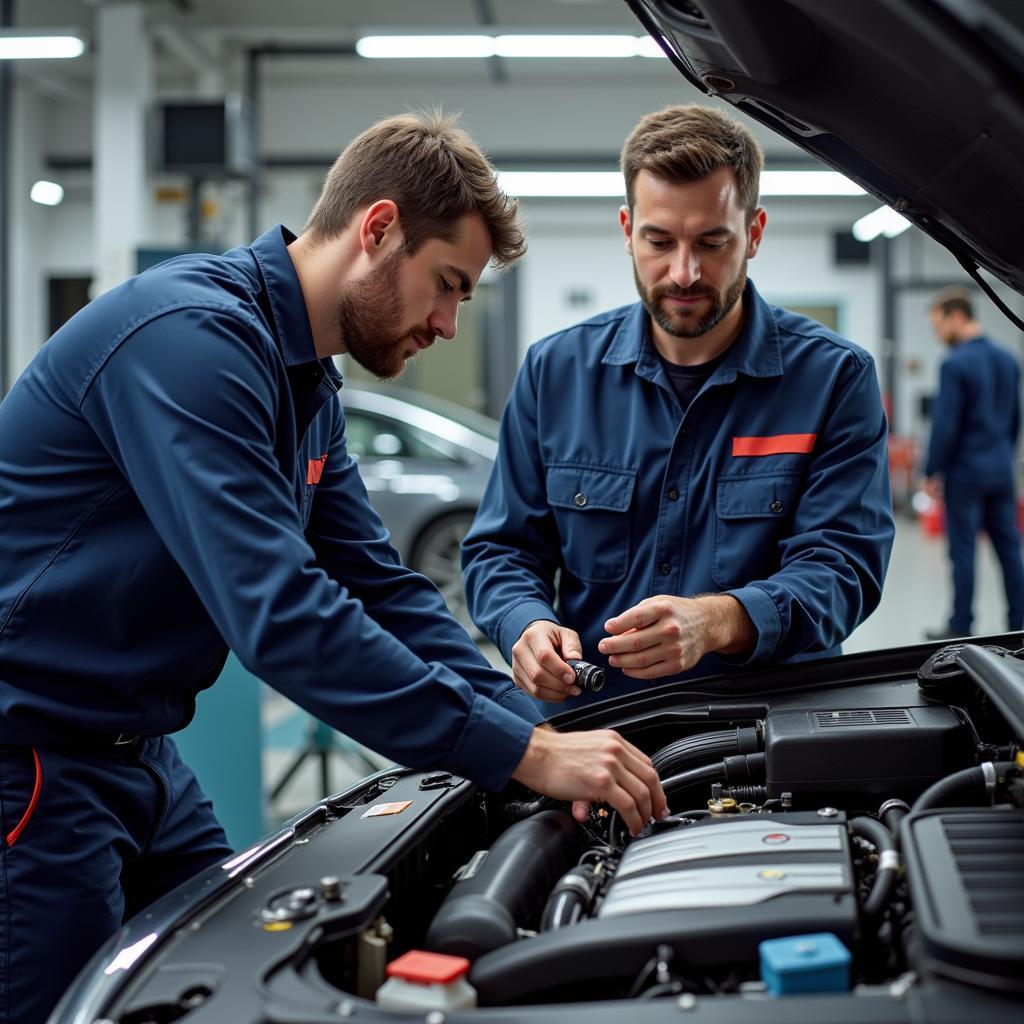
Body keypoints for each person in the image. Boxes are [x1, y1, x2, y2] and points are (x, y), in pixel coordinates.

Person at [0, 110, 666, 1024]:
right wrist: (520, 753)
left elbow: (382, 586)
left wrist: (536, 726)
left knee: (228, 985)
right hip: (31, 758)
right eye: (445, 285)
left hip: (140, 753)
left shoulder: (305, 382)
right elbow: (280, 613)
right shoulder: (188, 341)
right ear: (378, 228)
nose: (444, 321)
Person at [462, 104, 895, 713]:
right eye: (659, 242)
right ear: (626, 230)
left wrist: (721, 620)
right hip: (598, 727)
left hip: (770, 727)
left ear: (755, 233)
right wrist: (523, 625)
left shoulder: (833, 379)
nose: (684, 272)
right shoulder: (554, 373)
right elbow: (502, 549)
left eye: (712, 242)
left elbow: (843, 567)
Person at [922, 288, 1024, 639]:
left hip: (966, 472)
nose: (938, 335)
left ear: (957, 317)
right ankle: (1019, 624)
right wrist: (1003, 455)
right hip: (1000, 469)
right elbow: (1015, 418)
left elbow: (945, 425)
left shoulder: (954, 363)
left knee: (963, 550)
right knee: (1010, 549)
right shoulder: (1008, 358)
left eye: (938, 326)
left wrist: (931, 469)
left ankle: (961, 625)